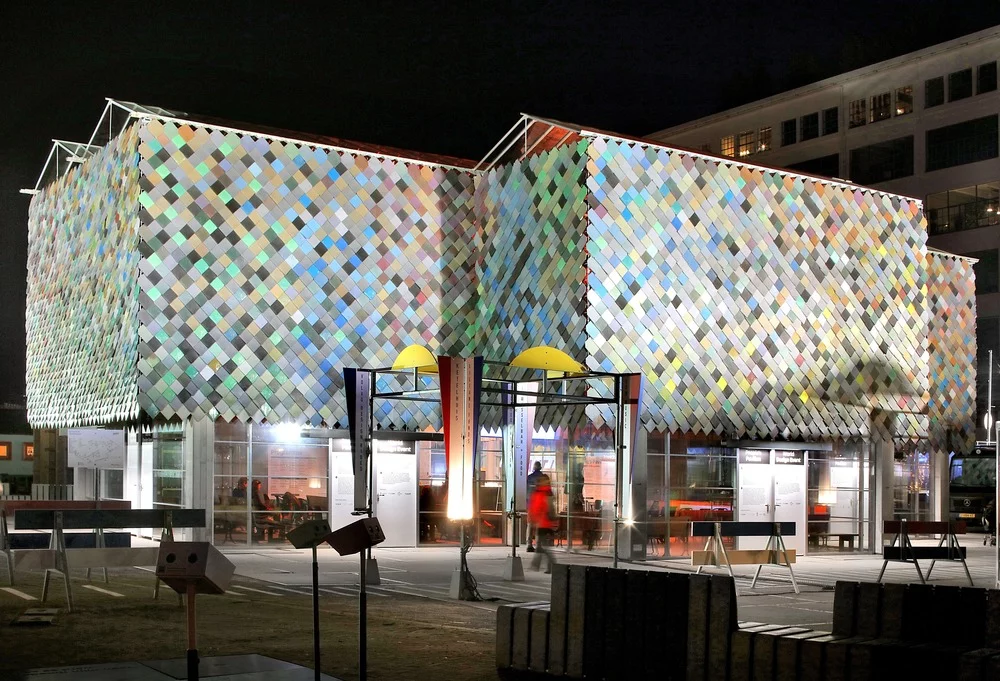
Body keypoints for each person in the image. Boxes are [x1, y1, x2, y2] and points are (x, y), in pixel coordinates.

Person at [528, 473, 556, 573]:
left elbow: (547, 508)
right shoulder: (540, 492)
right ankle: (537, 565)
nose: (538, 482)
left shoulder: (545, 493)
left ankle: (549, 565)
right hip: (541, 522)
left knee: (542, 546)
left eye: (541, 480)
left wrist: (535, 518)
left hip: (544, 523)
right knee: (541, 545)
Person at [526, 461, 544, 552]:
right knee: (539, 525)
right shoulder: (543, 478)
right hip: (540, 504)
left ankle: (529, 544)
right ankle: (538, 545)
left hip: (530, 504)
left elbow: (525, 491)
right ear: (540, 468)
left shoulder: (529, 478)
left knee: (530, 524)